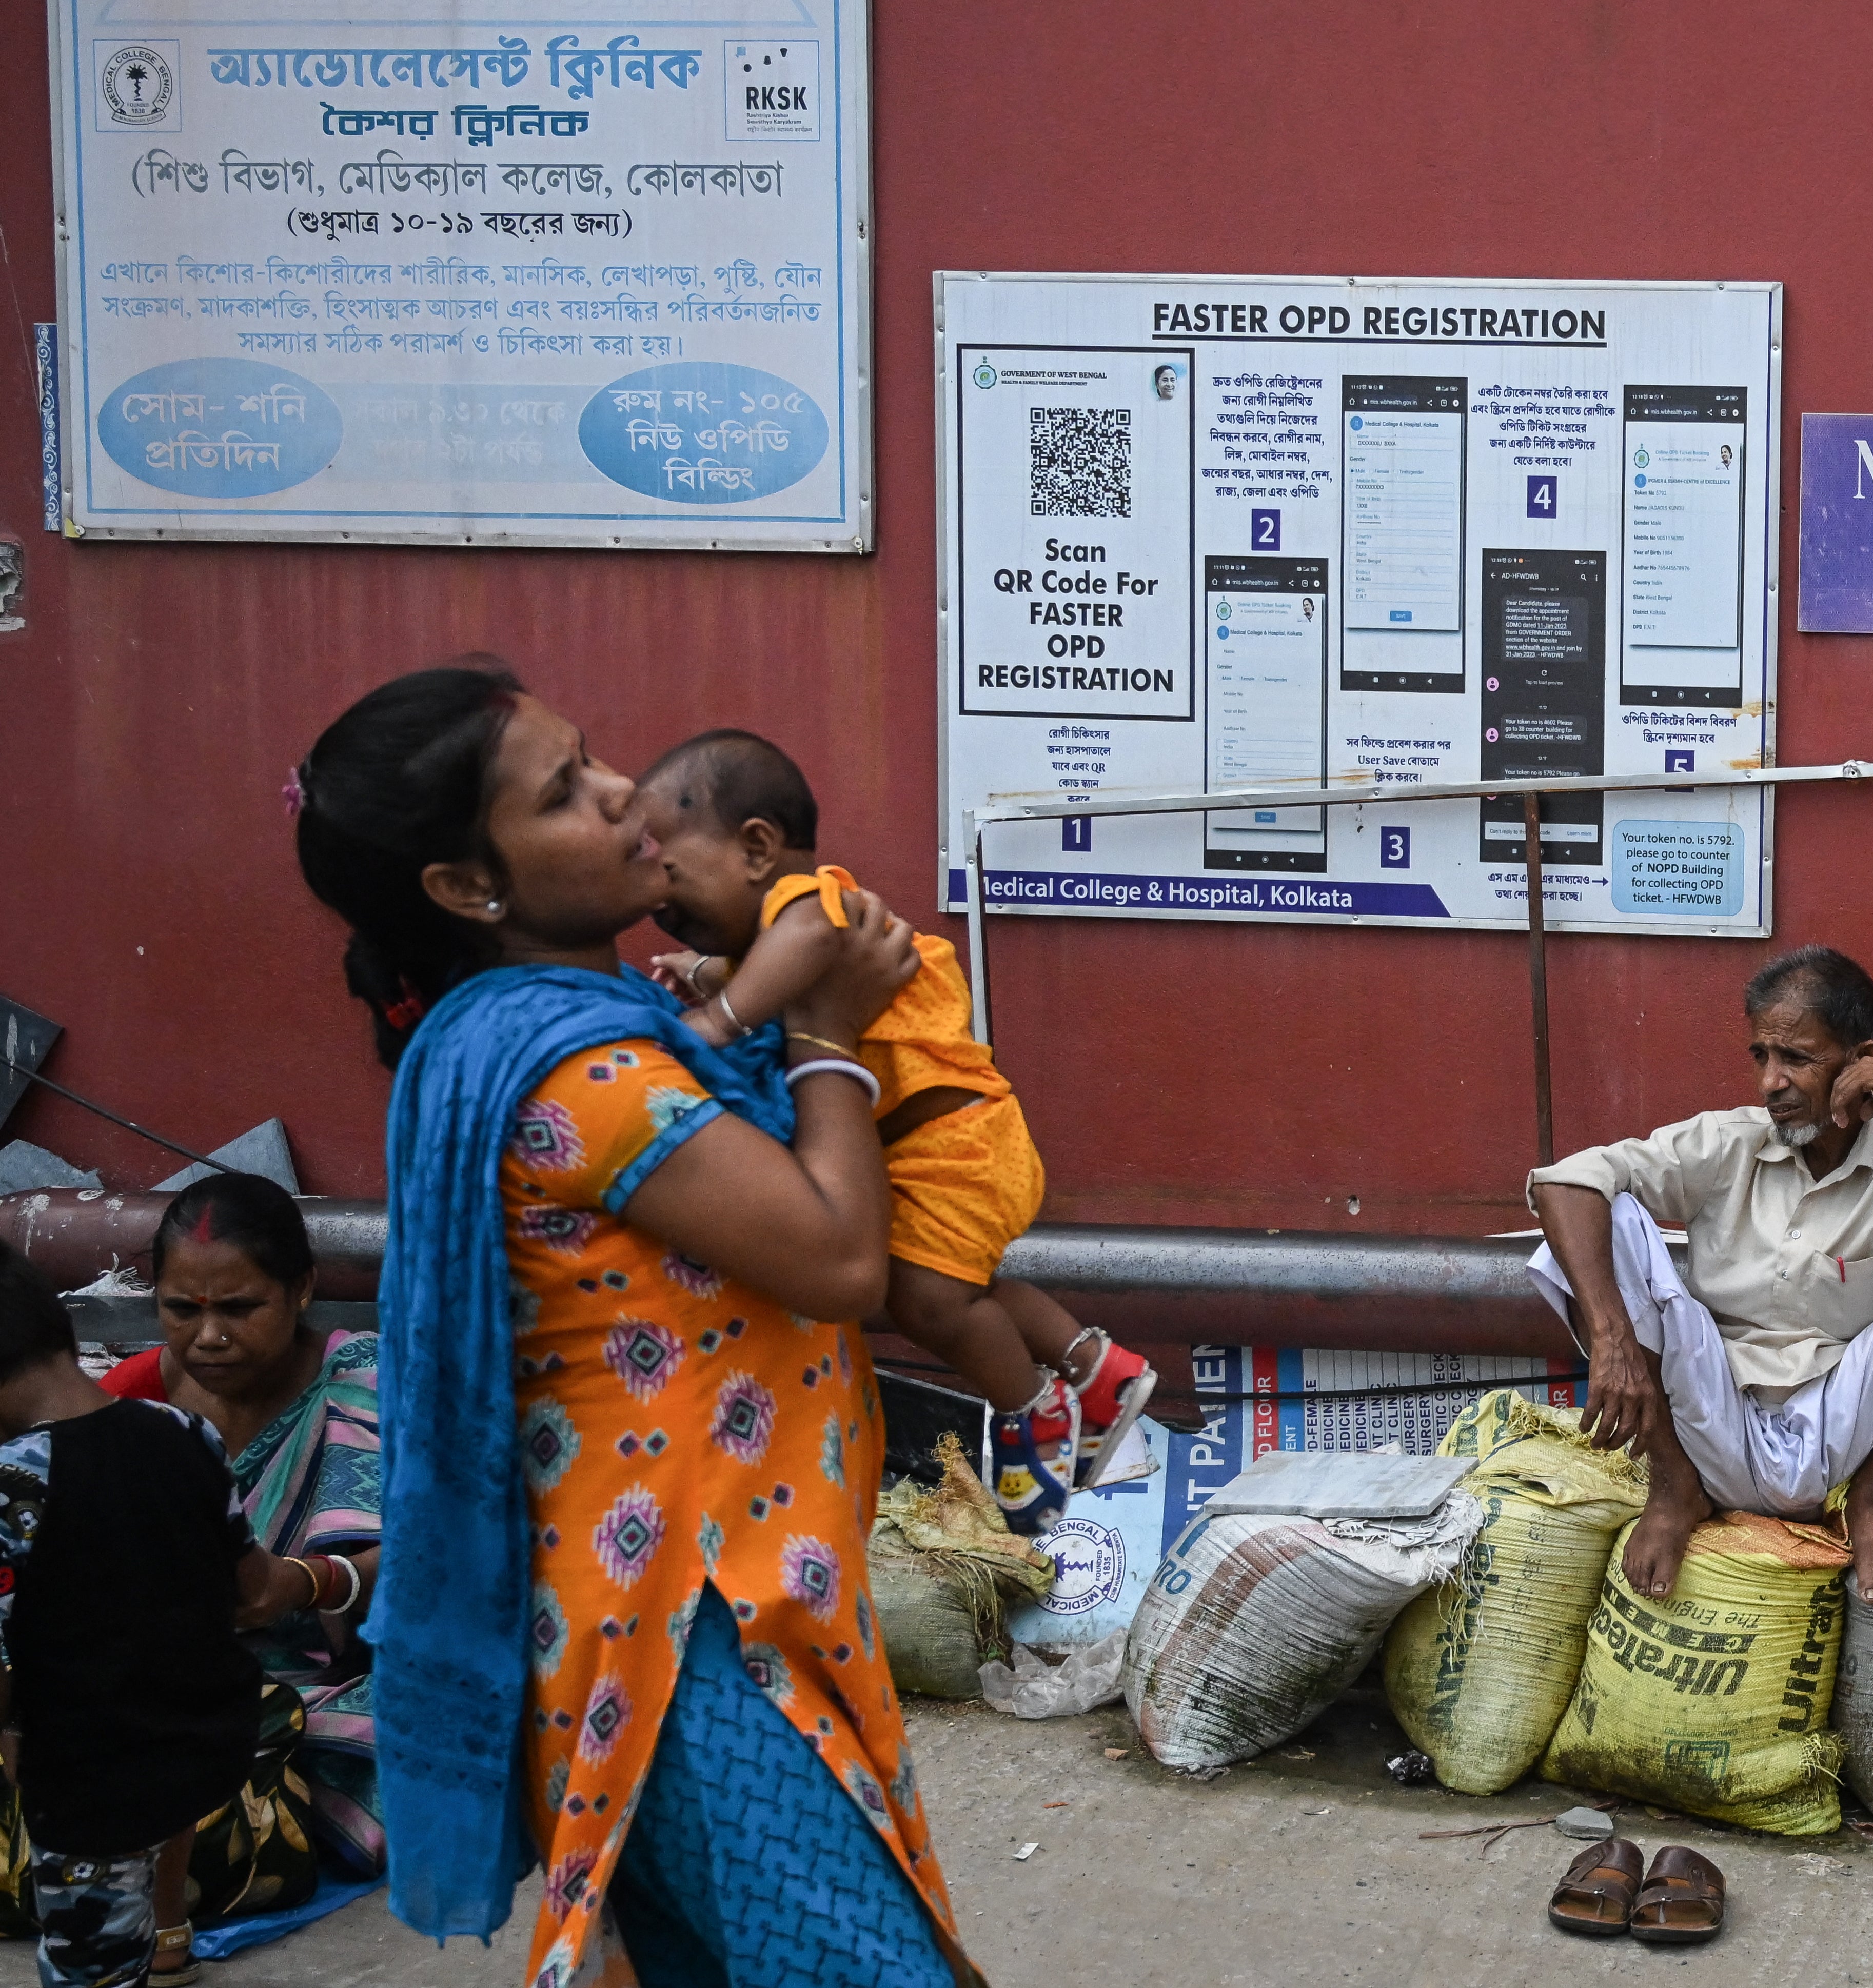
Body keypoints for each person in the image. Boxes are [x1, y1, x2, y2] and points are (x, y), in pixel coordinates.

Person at [291, 661, 975, 1988]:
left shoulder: (558, 1027)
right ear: (466, 886)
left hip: (672, 1606)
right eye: (563, 792)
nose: (622, 792)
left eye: (592, 754)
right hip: (689, 1636)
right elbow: (836, 1255)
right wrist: (830, 1024)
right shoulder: (591, 1074)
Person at [632, 729, 1155, 1535]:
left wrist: (715, 1020)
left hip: (956, 1143)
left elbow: (799, 947)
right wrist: (700, 970)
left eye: (670, 874)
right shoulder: (781, 932)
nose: (660, 901)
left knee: (930, 1297)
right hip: (933, 1147)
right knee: (939, 1290)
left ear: (756, 847)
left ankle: (1034, 1409)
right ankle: (1098, 1370)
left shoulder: (811, 906)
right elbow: (769, 967)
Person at [1526, 946, 1873, 1605]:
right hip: (1714, 1425)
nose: (1770, 1082)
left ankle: (1872, 1504)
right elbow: (1565, 1184)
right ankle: (1673, 1489)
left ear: (1862, 1060)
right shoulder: (1729, 1140)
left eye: (1796, 1059)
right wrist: (1613, 1339)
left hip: (1847, 1436)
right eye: (1761, 1056)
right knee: (1607, 1215)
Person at [0, 1245, 284, 1988]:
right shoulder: (183, 1432)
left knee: (88, 1964)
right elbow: (252, 1587)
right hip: (206, 1743)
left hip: (89, 1787)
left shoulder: (15, 1482)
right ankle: (167, 1936)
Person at [100, 1174, 383, 1880]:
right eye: (181, 1310)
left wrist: (307, 1581)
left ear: (303, 1288)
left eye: (240, 1307)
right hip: (188, 1680)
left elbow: (449, 1552)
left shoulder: (365, 1379)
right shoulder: (136, 1395)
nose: (211, 1336)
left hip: (344, 1682)